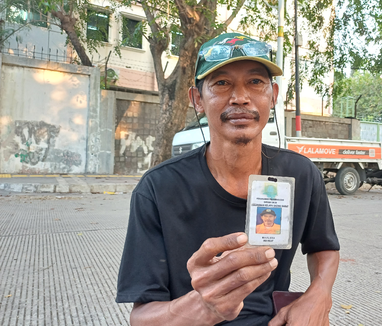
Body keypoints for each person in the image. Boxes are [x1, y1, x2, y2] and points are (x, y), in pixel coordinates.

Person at [116, 32, 340, 326]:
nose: (240, 97)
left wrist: (319, 294)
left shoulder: (300, 174)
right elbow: (142, 319)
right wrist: (205, 307)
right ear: (197, 99)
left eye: (255, 82)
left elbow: (324, 246)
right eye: (221, 83)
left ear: (272, 95)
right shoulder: (158, 189)